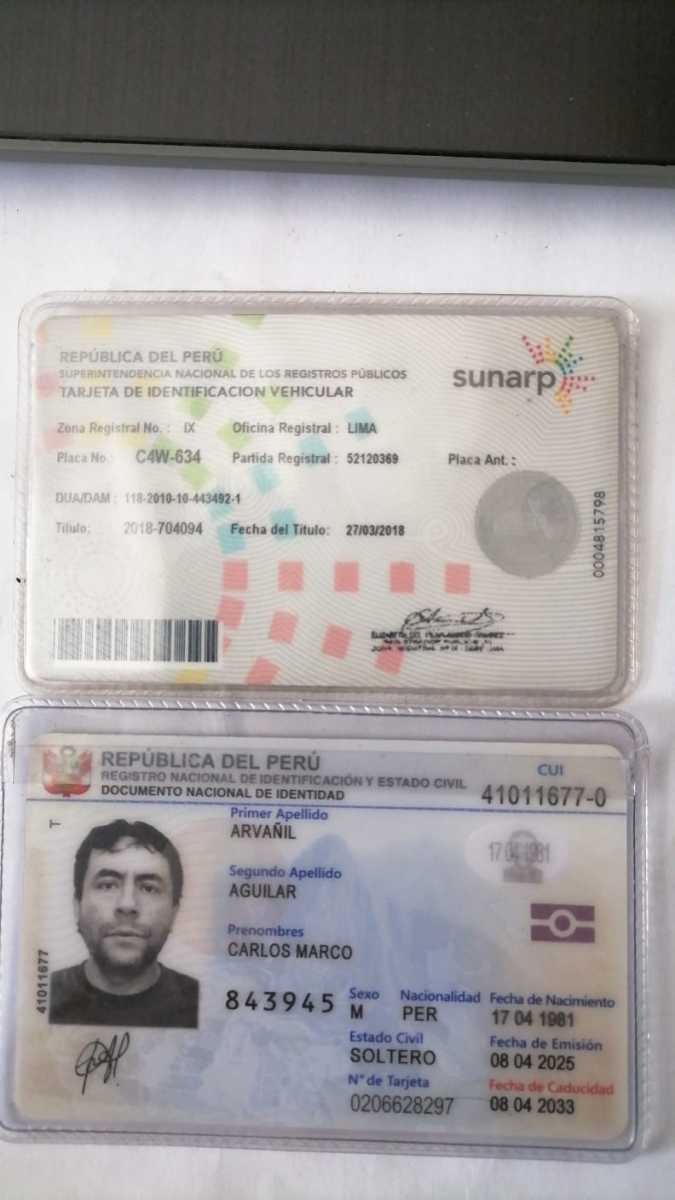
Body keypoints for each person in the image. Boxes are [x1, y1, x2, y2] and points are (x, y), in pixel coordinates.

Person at [49, 818, 199, 1027]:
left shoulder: (200, 1004)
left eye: (148, 888)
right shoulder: (43, 997)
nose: (127, 905)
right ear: (77, 906)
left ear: (174, 912)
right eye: (108, 885)